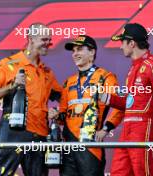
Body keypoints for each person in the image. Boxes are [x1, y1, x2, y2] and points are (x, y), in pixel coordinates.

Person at [0, 23, 62, 176]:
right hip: (13, 133)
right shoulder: (9, 64)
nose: (48, 43)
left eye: (50, 40)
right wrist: (12, 86)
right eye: (44, 39)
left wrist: (58, 112)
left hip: (39, 136)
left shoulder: (47, 72)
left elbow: (62, 97)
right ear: (31, 39)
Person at [100, 23, 153, 176]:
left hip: (145, 129)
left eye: (122, 42)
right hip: (127, 130)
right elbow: (130, 103)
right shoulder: (133, 68)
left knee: (143, 173)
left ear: (132, 43)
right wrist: (106, 97)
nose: (121, 47)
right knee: (118, 173)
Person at [50, 35, 124, 176]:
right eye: (73, 51)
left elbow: (119, 107)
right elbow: (63, 116)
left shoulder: (105, 77)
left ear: (92, 52)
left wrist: (105, 129)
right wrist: (56, 115)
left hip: (90, 146)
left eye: (79, 49)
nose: (75, 54)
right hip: (68, 147)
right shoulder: (68, 82)